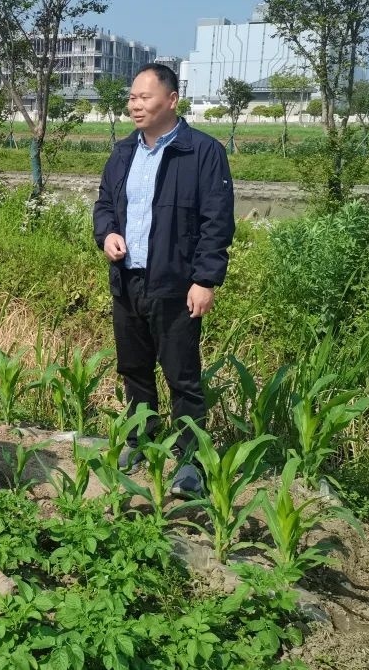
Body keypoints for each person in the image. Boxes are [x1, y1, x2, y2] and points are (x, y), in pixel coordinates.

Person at [92, 63, 235, 497]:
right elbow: (104, 205)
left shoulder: (202, 153)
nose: (135, 105)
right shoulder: (122, 153)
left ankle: (191, 461)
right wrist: (108, 234)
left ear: (171, 100)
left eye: (144, 97)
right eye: (132, 98)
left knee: (183, 376)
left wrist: (205, 280)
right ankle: (142, 437)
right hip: (128, 280)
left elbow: (217, 221)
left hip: (176, 284)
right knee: (134, 369)